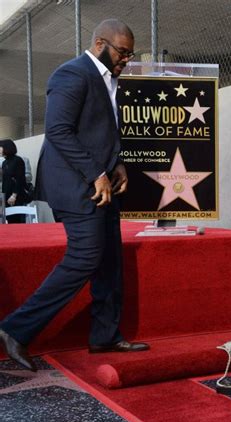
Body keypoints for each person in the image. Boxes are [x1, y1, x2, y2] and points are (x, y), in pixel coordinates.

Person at [0, 19, 149, 372]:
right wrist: (97, 173)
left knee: (110, 260)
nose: (126, 59)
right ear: (100, 43)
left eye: (129, 53)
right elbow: (58, 131)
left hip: (102, 184)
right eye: (122, 52)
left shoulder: (109, 79)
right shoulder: (72, 74)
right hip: (76, 185)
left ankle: (104, 335)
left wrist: (118, 164)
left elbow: (103, 131)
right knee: (86, 257)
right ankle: (15, 329)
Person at [1, 139, 28, 223]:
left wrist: (14, 195)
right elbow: (5, 180)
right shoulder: (4, 163)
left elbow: (20, 179)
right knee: (10, 221)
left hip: (17, 196)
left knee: (18, 221)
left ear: (7, 148)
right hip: (7, 196)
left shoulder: (17, 160)